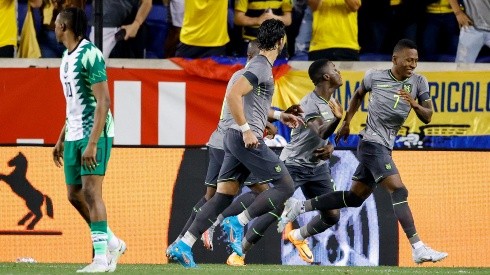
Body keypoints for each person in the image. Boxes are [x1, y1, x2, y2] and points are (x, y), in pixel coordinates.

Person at [278, 39, 449, 264]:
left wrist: (415, 104)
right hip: (371, 144)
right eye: (408, 60)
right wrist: (347, 121)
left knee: (354, 197)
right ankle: (418, 247)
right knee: (398, 191)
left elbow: (428, 115)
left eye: (416, 60)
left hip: (385, 145)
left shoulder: (419, 82)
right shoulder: (374, 77)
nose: (413, 64)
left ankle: (300, 211)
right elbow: (358, 95)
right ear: (395, 59)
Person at [168, 19, 303, 268]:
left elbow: (250, 102)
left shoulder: (250, 69)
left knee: (221, 197)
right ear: (280, 41)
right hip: (244, 139)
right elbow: (233, 96)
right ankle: (238, 221)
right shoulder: (261, 66)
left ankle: (183, 244)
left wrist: (279, 115)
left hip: (231, 137)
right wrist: (247, 130)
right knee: (285, 185)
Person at [224, 59, 345, 266]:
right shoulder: (309, 104)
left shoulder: (330, 103)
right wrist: (337, 120)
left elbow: (326, 136)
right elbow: (321, 130)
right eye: (335, 69)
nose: (339, 71)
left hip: (317, 168)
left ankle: (298, 236)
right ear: (326, 76)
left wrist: (331, 145)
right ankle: (239, 253)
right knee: (274, 210)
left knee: (332, 215)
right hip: (293, 165)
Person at [52, 7, 126, 272]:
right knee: (74, 195)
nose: (53, 26)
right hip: (72, 133)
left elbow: (103, 101)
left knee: (92, 192)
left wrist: (93, 142)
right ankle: (113, 241)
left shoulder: (90, 54)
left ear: (64, 26)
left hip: (95, 132)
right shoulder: (65, 57)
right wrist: (61, 137)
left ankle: (101, 259)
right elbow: (73, 102)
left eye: (56, 22)